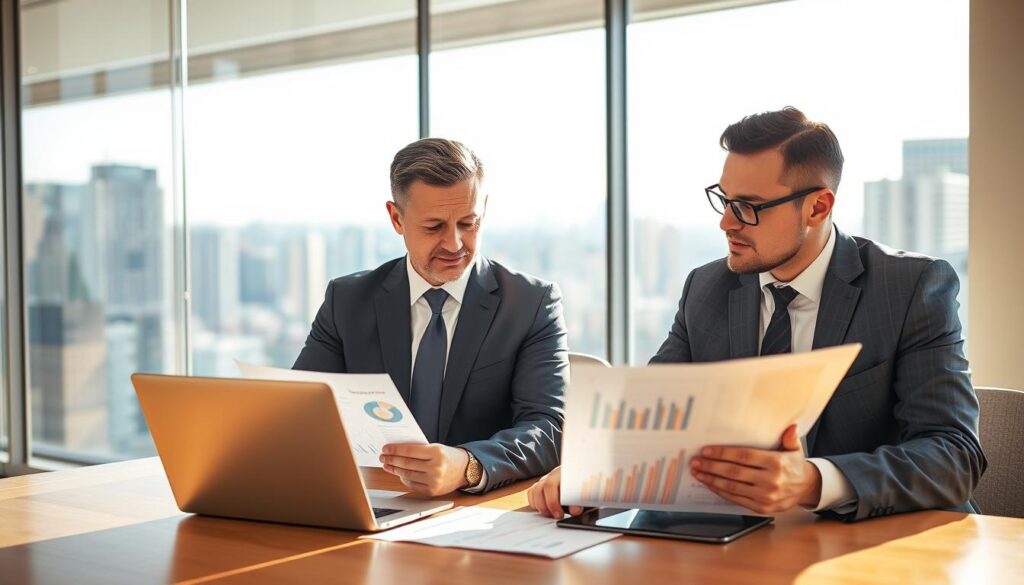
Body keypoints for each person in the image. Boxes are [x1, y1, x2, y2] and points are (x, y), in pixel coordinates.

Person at [529, 107, 985, 521]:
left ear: (818, 206)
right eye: (723, 200)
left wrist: (811, 481)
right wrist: (591, 473)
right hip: (734, 541)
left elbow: (954, 454)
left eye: (748, 207)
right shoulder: (706, 288)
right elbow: (652, 426)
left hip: (874, 543)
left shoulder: (909, 288)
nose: (726, 222)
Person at [295, 138, 569, 496]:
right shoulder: (346, 302)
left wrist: (468, 464)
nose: (455, 244)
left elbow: (549, 428)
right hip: (373, 500)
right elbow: (297, 413)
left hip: (477, 512)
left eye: (468, 223)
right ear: (396, 218)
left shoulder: (531, 304)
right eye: (434, 227)